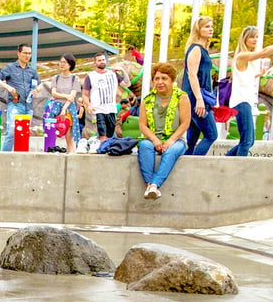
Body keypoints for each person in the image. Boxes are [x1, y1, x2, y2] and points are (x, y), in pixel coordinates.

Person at [138, 62, 191, 200]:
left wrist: (171, 140)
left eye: (164, 78)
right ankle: (149, 185)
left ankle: (155, 185)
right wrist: (154, 140)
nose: (160, 82)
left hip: (176, 139)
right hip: (153, 138)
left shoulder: (182, 97)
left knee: (172, 151)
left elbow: (185, 123)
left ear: (172, 80)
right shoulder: (148, 99)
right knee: (144, 146)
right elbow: (143, 125)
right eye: (157, 79)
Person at [226, 26, 273, 156]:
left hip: (244, 101)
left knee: (249, 141)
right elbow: (264, 52)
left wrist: (259, 74)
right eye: (252, 37)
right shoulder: (243, 55)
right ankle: (237, 167)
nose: (255, 40)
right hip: (242, 102)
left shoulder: (245, 59)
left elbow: (244, 77)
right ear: (244, 39)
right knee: (246, 141)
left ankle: (226, 160)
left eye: (257, 37)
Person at [182, 16, 217, 155]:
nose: (211, 29)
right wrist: (199, 99)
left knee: (193, 136)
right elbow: (192, 74)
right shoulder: (196, 49)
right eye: (207, 26)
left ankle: (185, 166)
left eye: (212, 26)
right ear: (199, 29)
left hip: (198, 97)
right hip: (196, 98)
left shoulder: (202, 49)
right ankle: (194, 165)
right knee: (211, 135)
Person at [0, 43, 40, 152]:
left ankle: (21, 155)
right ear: (18, 53)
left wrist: (36, 90)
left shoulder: (32, 71)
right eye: (25, 53)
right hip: (15, 104)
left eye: (29, 53)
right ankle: (4, 156)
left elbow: (38, 84)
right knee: (11, 132)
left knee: (24, 134)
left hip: (28, 106)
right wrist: (8, 87)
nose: (27, 56)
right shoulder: (10, 68)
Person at [83, 52, 126, 143]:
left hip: (111, 108)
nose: (102, 62)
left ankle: (106, 149)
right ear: (95, 63)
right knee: (102, 133)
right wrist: (89, 105)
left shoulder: (113, 74)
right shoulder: (91, 76)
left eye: (103, 60)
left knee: (110, 134)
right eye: (99, 60)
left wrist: (122, 71)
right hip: (98, 108)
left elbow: (127, 84)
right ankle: (101, 148)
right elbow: (85, 94)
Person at [48, 53, 81, 152]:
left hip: (69, 108)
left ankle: (70, 155)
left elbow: (72, 97)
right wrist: (66, 96)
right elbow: (54, 93)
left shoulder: (75, 79)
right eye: (61, 62)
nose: (62, 64)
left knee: (68, 135)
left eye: (64, 62)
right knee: (52, 133)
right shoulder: (56, 78)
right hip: (55, 108)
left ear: (70, 65)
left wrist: (64, 109)